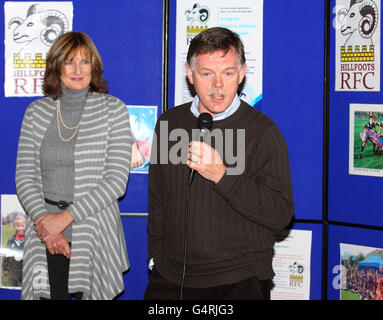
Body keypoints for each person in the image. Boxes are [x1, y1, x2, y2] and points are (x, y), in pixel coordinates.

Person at [144, 27, 294, 300]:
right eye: (206, 74)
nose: (217, 85)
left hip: (238, 279)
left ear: (241, 73)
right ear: (190, 75)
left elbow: (280, 214)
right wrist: (156, 259)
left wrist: (222, 176)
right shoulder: (169, 124)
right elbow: (158, 201)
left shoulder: (262, 131)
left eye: (227, 72)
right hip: (171, 278)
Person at [15, 31, 133, 300]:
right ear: (57, 66)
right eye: (69, 62)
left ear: (95, 67)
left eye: (85, 62)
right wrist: (47, 227)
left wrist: (64, 219)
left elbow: (116, 181)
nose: (77, 70)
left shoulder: (113, 110)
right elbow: (24, 176)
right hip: (42, 230)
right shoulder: (36, 112)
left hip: (93, 229)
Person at [2, 215, 26, 287]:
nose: (20, 228)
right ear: (14, 227)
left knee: (24, 288)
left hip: (24, 269)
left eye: (22, 225)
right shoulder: (10, 241)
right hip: (12, 270)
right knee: (12, 286)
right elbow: (7, 255)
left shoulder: (28, 241)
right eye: (18, 226)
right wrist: (5, 268)